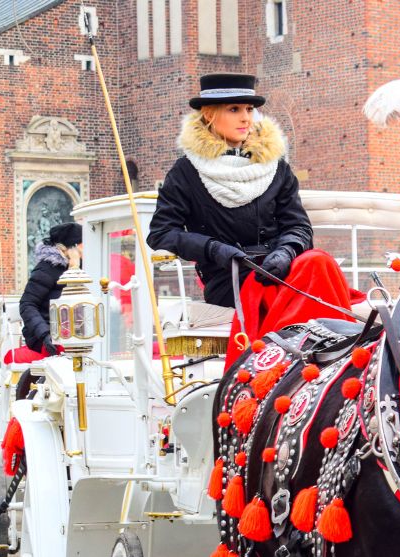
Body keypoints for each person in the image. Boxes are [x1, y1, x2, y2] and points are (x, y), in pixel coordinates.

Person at [147, 73, 357, 367]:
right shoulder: (186, 172)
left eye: (249, 109)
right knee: (311, 269)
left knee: (317, 262)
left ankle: (324, 358)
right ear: (209, 116)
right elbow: (161, 233)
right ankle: (291, 364)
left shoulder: (276, 168)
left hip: (279, 266)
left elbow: (298, 226)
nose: (245, 118)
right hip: (230, 274)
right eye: (234, 110)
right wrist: (213, 249)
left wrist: (286, 251)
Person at [14, 222, 81, 364]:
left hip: (73, 334)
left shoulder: (81, 267)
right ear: (72, 247)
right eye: (82, 243)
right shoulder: (47, 268)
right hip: (46, 337)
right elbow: (27, 304)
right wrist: (45, 334)